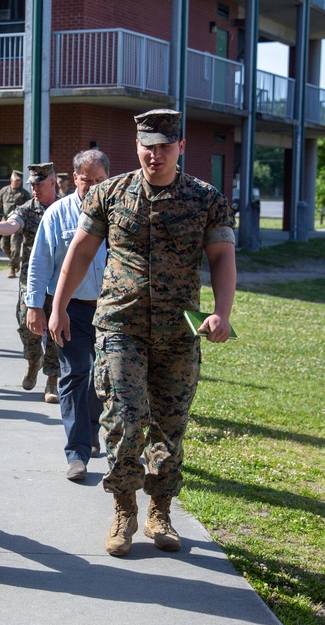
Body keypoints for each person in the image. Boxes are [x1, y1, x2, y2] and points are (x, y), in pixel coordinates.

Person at [48, 109, 236, 557]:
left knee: (169, 428)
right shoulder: (110, 193)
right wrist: (56, 307)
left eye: (165, 147)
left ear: (181, 148)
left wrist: (222, 312)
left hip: (178, 332)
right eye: (148, 147)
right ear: (136, 148)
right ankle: (124, 508)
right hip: (120, 326)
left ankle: (160, 510)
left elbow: (222, 257)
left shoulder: (205, 198)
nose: (155, 155)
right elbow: (80, 251)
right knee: (125, 419)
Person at [25, 150, 110, 481]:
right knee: (74, 373)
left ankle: (91, 432)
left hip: (108, 309)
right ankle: (76, 454)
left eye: (99, 181)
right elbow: (41, 261)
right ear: (74, 178)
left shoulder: (118, 214)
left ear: (109, 178)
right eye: (85, 180)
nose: (91, 187)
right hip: (69, 307)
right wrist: (35, 306)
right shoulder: (57, 214)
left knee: (103, 375)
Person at [0, 163, 60, 403]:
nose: (34, 188)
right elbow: (13, 224)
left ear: (52, 183)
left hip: (59, 280)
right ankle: (33, 360)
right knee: (27, 326)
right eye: (32, 184)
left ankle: (52, 380)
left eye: (39, 184)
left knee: (56, 331)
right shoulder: (27, 209)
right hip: (32, 279)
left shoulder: (65, 207)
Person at [0, 170, 30, 279]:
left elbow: (29, 207)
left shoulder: (24, 193)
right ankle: (15, 261)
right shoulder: (3, 191)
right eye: (16, 180)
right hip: (5, 221)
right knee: (4, 245)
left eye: (20, 181)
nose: (18, 182)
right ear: (11, 179)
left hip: (17, 222)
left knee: (15, 246)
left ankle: (12, 269)